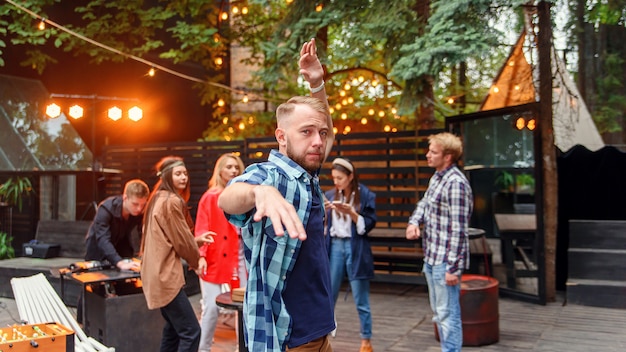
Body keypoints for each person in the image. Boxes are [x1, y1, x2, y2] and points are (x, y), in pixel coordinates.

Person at [218, 38, 335, 352]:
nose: (318, 141)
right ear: (282, 137)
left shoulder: (307, 176)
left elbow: (326, 131)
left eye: (321, 134)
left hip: (322, 330)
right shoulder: (272, 175)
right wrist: (259, 193)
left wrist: (317, 85)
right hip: (289, 339)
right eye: (306, 132)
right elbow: (227, 198)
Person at [405, 132, 473, 352]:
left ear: (448, 157)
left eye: (433, 152)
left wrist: (453, 268)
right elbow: (424, 204)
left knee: (448, 314)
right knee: (439, 312)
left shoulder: (456, 184)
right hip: (432, 258)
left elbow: (459, 231)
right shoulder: (437, 177)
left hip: (445, 263)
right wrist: (414, 222)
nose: (428, 155)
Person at [140, 155, 208, 352]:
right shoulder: (171, 201)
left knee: (173, 330)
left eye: (185, 173)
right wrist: (197, 259)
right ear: (167, 176)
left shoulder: (157, 199)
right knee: (191, 331)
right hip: (164, 275)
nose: (183, 177)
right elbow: (181, 241)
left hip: (155, 273)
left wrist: (195, 241)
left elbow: (168, 239)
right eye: (178, 174)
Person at [195, 152, 246, 352]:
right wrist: (201, 256)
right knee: (211, 308)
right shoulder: (210, 197)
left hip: (239, 255)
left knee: (243, 305)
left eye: (236, 167)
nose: (233, 170)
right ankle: (203, 348)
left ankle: (242, 347)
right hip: (215, 256)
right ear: (220, 170)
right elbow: (202, 228)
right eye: (229, 167)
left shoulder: (244, 193)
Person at [324, 157, 377, 352]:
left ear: (351, 176)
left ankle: (366, 340)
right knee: (329, 294)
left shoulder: (365, 195)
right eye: (334, 178)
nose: (336, 182)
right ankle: (324, 335)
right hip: (334, 246)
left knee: (361, 297)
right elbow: (324, 226)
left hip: (356, 247)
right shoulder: (329, 195)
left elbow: (369, 225)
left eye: (340, 178)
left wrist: (352, 213)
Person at [84, 178, 149, 270]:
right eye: (135, 204)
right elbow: (103, 239)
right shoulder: (106, 208)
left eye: (143, 205)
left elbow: (142, 234)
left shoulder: (139, 212)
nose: (139, 209)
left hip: (121, 248)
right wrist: (119, 262)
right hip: (98, 252)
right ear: (125, 197)